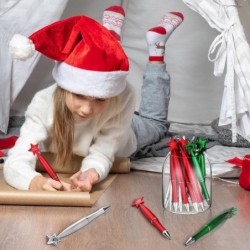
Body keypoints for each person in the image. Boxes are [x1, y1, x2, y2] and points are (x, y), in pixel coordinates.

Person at [4, 6, 184, 192]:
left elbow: (104, 153)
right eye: (79, 96)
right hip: (106, 126)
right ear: (65, 87)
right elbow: (15, 161)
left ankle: (157, 50)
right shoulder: (43, 104)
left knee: (155, 125)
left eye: (100, 99)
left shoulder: (122, 96)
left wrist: (92, 171)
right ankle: (109, 39)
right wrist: (36, 183)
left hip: (129, 133)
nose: (86, 110)